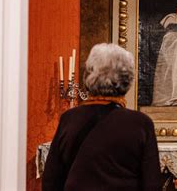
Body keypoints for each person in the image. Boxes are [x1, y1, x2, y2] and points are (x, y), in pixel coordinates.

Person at [42, 43, 163, 191]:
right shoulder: (140, 124)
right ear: (128, 79)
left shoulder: (69, 119)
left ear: (88, 76)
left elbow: (51, 181)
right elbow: (152, 184)